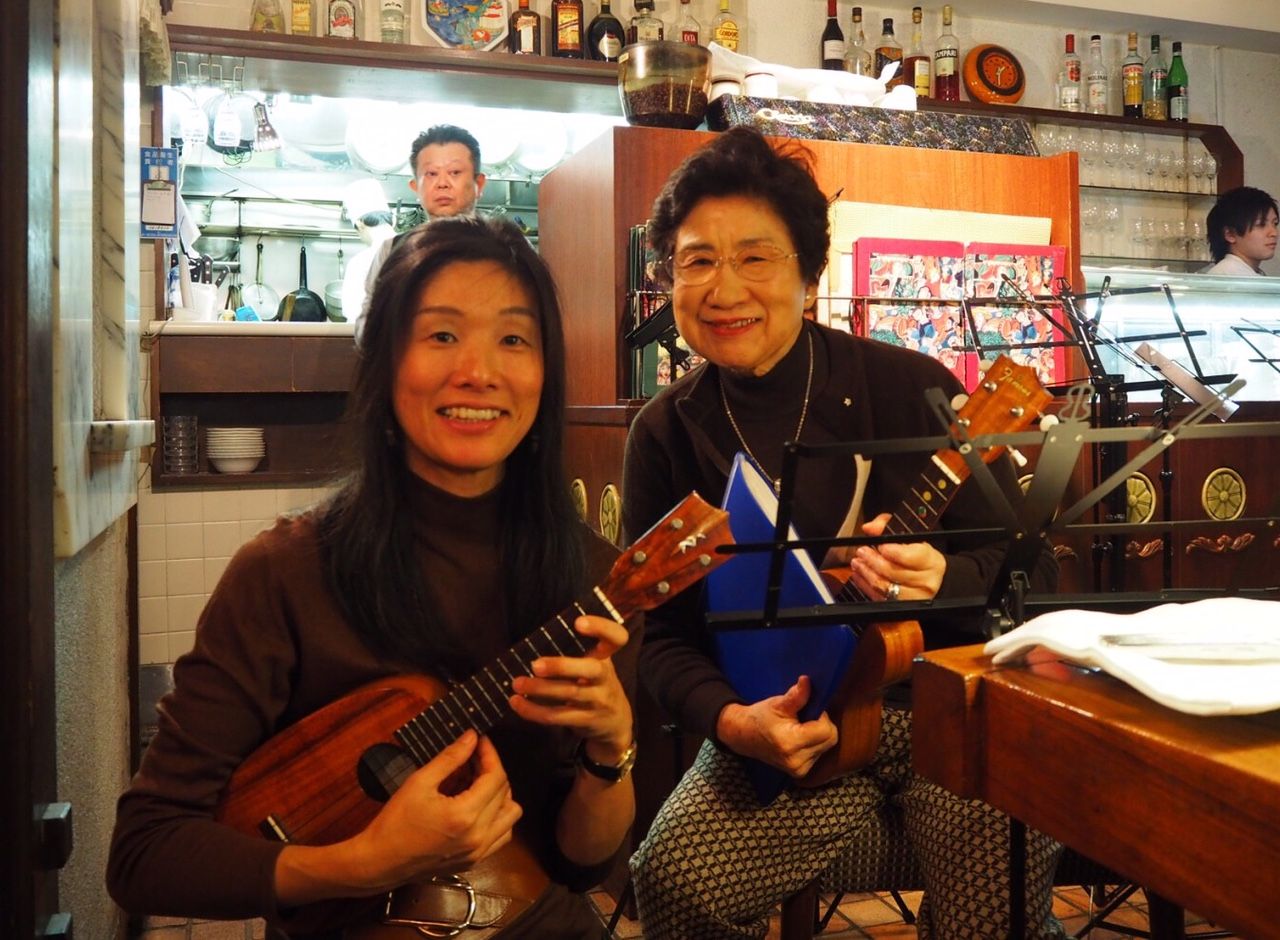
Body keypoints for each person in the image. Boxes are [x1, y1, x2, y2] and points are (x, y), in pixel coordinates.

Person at [108, 218, 639, 939]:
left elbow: (583, 864)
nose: (478, 371)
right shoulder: (283, 573)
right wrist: (363, 864)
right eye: (442, 334)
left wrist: (611, 752)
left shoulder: (592, 578)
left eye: (514, 339)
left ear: (546, 376)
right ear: (385, 362)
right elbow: (145, 853)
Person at [622, 126, 1062, 939]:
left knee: (989, 918)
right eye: (697, 261)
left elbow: (1035, 580)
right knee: (674, 881)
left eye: (755, 258)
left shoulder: (912, 387)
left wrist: (947, 579)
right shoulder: (666, 433)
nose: (724, 288)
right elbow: (661, 637)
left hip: (950, 712)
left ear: (809, 275)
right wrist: (734, 722)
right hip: (784, 723)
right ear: (668, 280)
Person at [356, 125, 489, 335]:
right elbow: (368, 321)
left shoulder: (507, 247)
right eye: (431, 174)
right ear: (415, 187)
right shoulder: (393, 250)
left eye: (454, 172)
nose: (442, 183)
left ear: (478, 184)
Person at [1204, 185, 1278, 275]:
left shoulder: (1244, 272)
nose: (1274, 233)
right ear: (1230, 234)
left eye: (1275, 223)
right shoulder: (1231, 274)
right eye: (1261, 225)